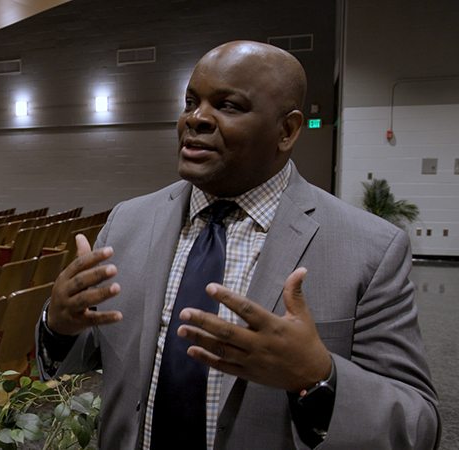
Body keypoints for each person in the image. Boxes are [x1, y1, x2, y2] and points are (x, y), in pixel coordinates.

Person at [37, 40, 440, 450]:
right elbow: (87, 358)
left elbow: (417, 426)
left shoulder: (371, 248)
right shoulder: (128, 222)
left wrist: (318, 375)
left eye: (228, 106)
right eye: (191, 101)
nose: (197, 118)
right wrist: (60, 324)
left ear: (287, 130)